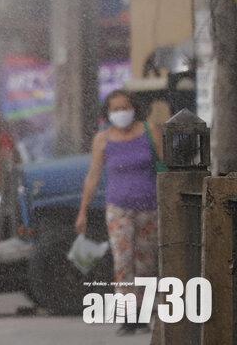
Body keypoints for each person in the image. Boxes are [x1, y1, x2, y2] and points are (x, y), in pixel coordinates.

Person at [76, 90, 161, 336]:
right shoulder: (103, 140)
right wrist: (83, 211)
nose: (121, 113)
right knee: (123, 261)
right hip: (118, 209)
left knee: (146, 264)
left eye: (125, 107)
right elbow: (93, 177)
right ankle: (128, 316)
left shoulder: (150, 131)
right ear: (108, 113)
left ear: (134, 108)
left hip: (149, 207)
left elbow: (165, 165)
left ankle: (143, 315)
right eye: (115, 109)